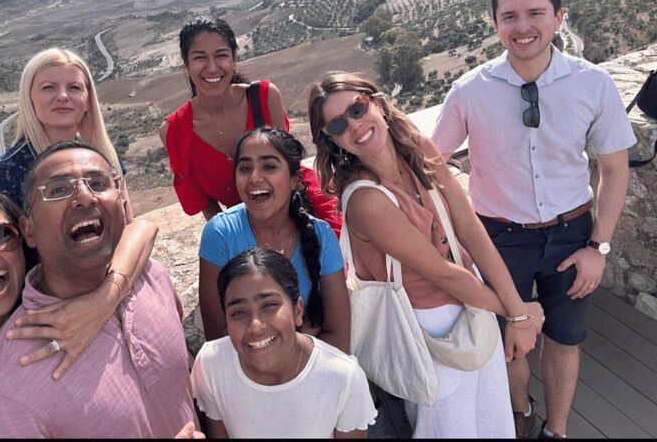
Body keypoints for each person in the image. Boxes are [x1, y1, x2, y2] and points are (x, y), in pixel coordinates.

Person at [432, 0, 635, 439]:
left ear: (559, 17)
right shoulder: (470, 91)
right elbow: (431, 164)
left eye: (535, 13)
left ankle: (556, 431)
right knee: (510, 341)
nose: (522, 26)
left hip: (573, 234)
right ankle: (519, 416)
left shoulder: (593, 83)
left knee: (565, 339)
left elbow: (615, 169)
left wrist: (598, 248)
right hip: (499, 239)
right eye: (510, 16)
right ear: (495, 24)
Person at [308, 72, 545, 439]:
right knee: (449, 426)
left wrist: (518, 311)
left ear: (377, 103)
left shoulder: (419, 150)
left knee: (492, 416)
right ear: (332, 139)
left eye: (357, 109)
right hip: (425, 325)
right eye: (338, 124)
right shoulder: (366, 199)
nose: (354, 125)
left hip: (473, 301)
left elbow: (469, 229)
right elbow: (441, 273)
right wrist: (518, 314)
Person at [0, 140, 199, 438]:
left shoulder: (154, 279)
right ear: (29, 230)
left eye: (99, 183)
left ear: (122, 205)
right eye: (58, 190)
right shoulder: (5, 392)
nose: (84, 197)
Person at [0, 182, 157, 438]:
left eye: (1, 234)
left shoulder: (54, 297)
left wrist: (102, 301)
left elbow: (143, 229)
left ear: (23, 238)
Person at [159, 15, 341, 233]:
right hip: (243, 223)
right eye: (200, 58)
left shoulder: (264, 97)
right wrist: (235, 235)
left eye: (221, 55)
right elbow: (205, 203)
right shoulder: (175, 131)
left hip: (299, 205)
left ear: (233, 58)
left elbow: (289, 168)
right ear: (186, 64)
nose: (212, 67)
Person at [191, 247, 376, 439]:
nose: (255, 327)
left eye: (269, 305)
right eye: (238, 312)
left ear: (297, 310)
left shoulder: (342, 377)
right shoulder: (212, 364)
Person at [198, 127, 350, 352]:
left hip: (308, 369)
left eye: (269, 166)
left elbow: (339, 338)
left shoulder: (322, 236)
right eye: (245, 168)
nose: (254, 178)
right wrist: (299, 337)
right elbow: (218, 340)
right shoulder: (221, 234)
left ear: (294, 179)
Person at [0, 47, 132, 222]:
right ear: (29, 99)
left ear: (88, 101)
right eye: (48, 87)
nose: (62, 96)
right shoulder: (2, 176)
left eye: (74, 87)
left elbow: (127, 224)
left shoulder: (103, 158)